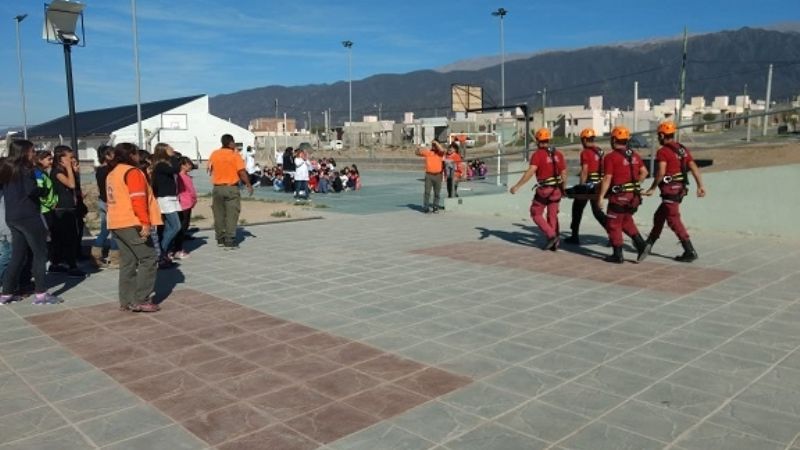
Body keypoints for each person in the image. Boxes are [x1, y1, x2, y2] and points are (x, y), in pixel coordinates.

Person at [0, 140, 63, 305]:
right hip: (29, 216)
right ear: (24, 152)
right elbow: (31, 191)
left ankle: (6, 293)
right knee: (40, 254)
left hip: (12, 216)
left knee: (17, 256)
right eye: (32, 150)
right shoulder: (27, 170)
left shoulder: (6, 168)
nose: (34, 153)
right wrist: (42, 190)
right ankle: (41, 294)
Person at [106, 143, 162, 312]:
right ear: (131, 155)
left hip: (116, 222)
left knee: (128, 262)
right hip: (131, 221)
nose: (139, 157)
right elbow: (138, 199)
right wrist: (145, 222)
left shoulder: (113, 173)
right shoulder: (133, 172)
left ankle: (127, 299)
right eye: (137, 154)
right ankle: (141, 299)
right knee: (149, 258)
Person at [643, 121, 707, 262]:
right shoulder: (682, 149)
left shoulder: (663, 151)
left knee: (673, 220)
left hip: (670, 190)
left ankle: (689, 250)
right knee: (659, 216)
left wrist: (652, 188)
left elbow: (661, 172)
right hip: (680, 189)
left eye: (658, 135)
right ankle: (648, 244)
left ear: (661, 135)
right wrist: (700, 185)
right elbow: (693, 167)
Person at [596, 125, 651, 263]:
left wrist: (601, 197)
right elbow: (644, 172)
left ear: (614, 139)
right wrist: (634, 184)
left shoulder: (611, 157)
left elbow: (607, 178)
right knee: (626, 220)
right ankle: (641, 245)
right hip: (634, 196)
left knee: (613, 223)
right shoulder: (634, 155)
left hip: (619, 197)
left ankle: (617, 254)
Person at [510, 128, 567, 250]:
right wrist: (563, 190)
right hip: (556, 189)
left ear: (537, 140)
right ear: (548, 140)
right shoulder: (558, 154)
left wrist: (517, 186)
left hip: (544, 190)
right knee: (552, 216)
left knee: (535, 213)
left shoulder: (537, 155)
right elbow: (564, 174)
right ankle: (555, 244)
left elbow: (531, 171)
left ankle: (551, 236)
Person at [208, 134, 253, 249]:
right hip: (231, 187)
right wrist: (248, 184)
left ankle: (220, 238)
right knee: (232, 214)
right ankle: (229, 239)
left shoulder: (214, 154)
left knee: (218, 214)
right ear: (231, 143)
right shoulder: (234, 155)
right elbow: (242, 172)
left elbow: (210, 169)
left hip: (217, 188)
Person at [565, 128, 608, 245]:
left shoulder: (585, 152)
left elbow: (585, 170)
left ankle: (574, 236)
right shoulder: (600, 151)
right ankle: (613, 233)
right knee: (598, 213)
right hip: (598, 185)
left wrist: (581, 186)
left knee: (577, 209)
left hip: (588, 185)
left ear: (584, 139)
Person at [49, 145, 86, 278]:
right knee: (68, 238)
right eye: (69, 157)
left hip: (68, 208)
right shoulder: (57, 172)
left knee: (64, 238)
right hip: (62, 209)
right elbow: (71, 184)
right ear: (61, 158)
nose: (72, 160)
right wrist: (69, 168)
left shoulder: (63, 171)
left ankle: (57, 263)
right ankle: (71, 266)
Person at [151, 143, 183, 269]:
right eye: (169, 149)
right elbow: (175, 169)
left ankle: (163, 253)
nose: (172, 150)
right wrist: (174, 157)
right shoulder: (161, 165)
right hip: (165, 198)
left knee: (169, 227)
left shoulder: (164, 164)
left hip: (171, 197)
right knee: (176, 226)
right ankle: (160, 252)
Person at [91, 145, 119, 269]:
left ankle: (95, 256)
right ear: (106, 156)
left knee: (104, 230)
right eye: (112, 154)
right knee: (115, 232)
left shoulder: (99, 170)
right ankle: (115, 258)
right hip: (110, 203)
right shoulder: (109, 170)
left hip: (103, 201)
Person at [173, 156, 197, 259]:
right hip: (186, 203)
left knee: (180, 226)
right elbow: (191, 191)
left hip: (181, 203)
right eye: (188, 164)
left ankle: (175, 248)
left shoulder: (178, 176)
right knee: (183, 226)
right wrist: (194, 199)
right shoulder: (184, 177)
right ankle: (178, 249)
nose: (190, 166)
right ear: (182, 165)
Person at [415, 139, 445, 213]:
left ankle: (435, 207)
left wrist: (436, 143)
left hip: (438, 175)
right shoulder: (428, 152)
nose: (434, 146)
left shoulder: (440, 153)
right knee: (427, 192)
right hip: (429, 175)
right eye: (433, 145)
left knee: (437, 193)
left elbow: (442, 149)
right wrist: (418, 148)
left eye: (435, 145)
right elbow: (417, 153)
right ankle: (426, 207)